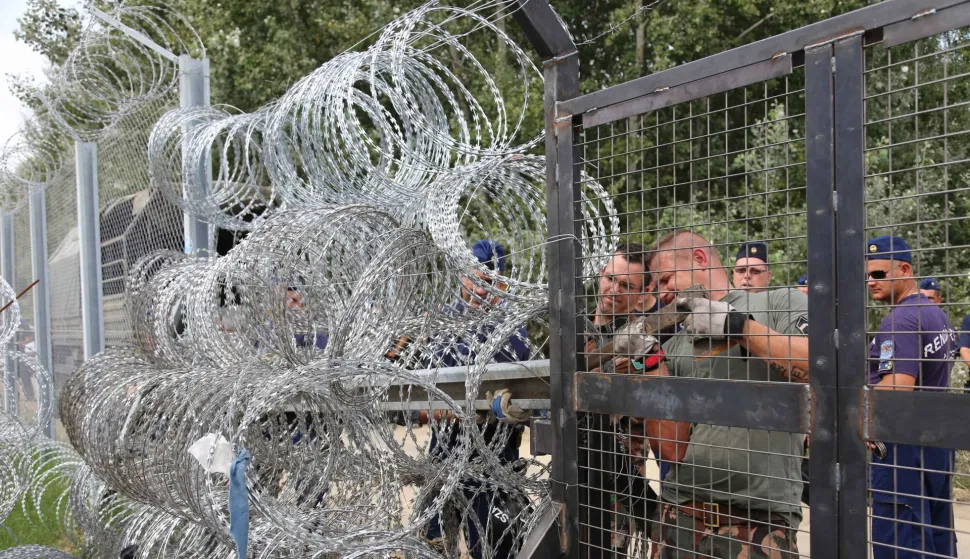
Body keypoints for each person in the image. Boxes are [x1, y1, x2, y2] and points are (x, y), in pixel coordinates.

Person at [643, 230, 808, 558]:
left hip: (759, 519)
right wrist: (648, 361)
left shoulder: (777, 302)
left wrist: (738, 327)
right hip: (681, 513)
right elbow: (671, 449)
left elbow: (823, 365)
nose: (661, 293)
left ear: (699, 260)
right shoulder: (675, 343)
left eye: (666, 279)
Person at [417, 239, 532, 559]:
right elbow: (416, 393)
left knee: (496, 548)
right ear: (462, 276)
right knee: (432, 546)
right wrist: (438, 411)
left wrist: (452, 409)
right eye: (476, 278)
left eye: (491, 280)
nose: (483, 288)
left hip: (493, 463)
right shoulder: (441, 324)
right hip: (442, 458)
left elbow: (494, 399)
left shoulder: (511, 330)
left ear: (504, 281)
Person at [865, 235, 957, 559]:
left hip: (903, 451)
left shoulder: (900, 320)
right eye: (867, 275)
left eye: (878, 274)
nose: (870, 282)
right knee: (937, 541)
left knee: (901, 545)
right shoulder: (935, 314)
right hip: (936, 446)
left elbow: (896, 389)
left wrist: (856, 413)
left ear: (904, 269)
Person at [582, 243, 665, 555]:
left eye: (626, 285)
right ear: (601, 274)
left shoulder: (642, 341)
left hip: (621, 483)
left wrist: (635, 364)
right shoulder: (574, 330)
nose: (613, 291)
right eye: (610, 279)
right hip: (572, 467)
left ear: (643, 293)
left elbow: (652, 378)